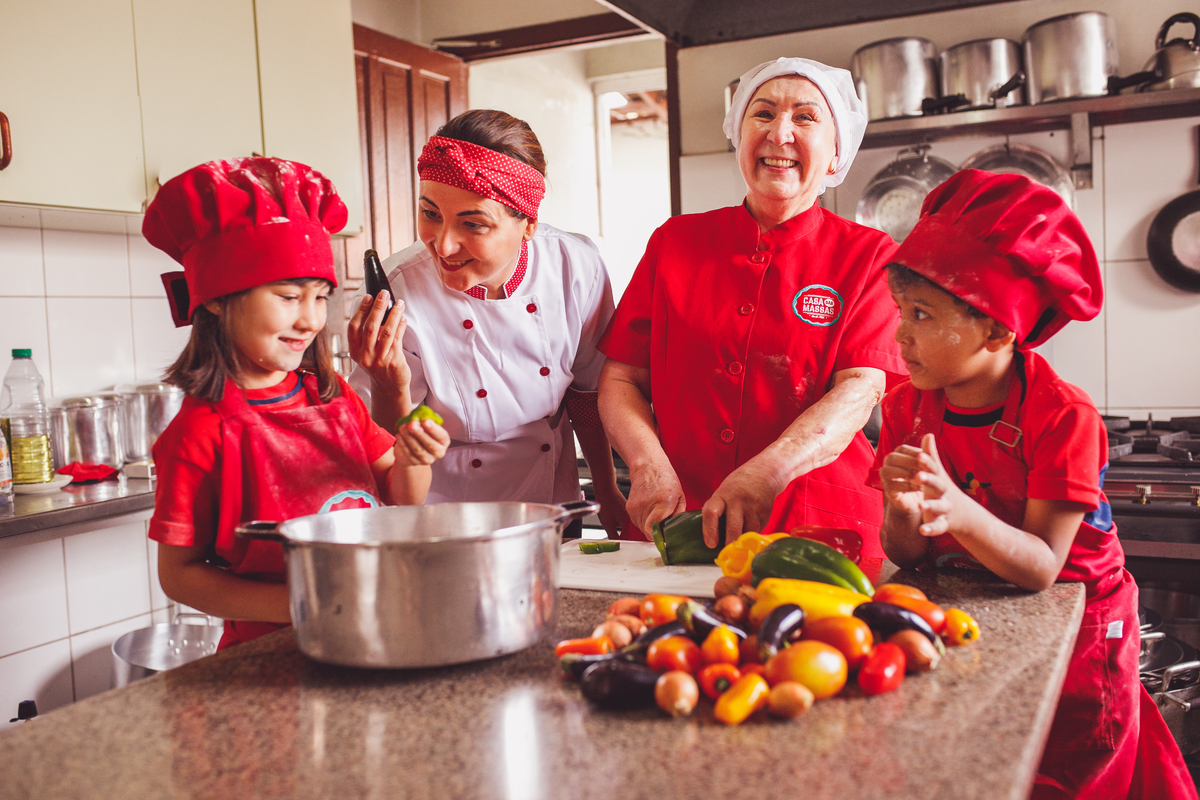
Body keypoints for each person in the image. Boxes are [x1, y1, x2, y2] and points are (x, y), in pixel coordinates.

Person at [872, 169, 1197, 799]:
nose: (900, 334)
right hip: (976, 614)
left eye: (921, 314)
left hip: (1077, 628)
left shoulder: (1062, 417)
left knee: (1068, 775)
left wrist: (958, 510)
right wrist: (904, 510)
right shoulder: (907, 406)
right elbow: (906, 554)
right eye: (899, 311)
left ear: (997, 329)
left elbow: (1044, 567)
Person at [598, 57, 906, 551]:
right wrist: (646, 465)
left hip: (816, 528)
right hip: (680, 521)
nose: (779, 133)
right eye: (762, 114)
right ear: (739, 137)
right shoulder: (675, 243)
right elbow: (620, 378)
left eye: (805, 118)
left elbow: (861, 389)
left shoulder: (869, 256)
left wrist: (770, 470)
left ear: (835, 154)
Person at [144, 157, 442, 651]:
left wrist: (414, 457)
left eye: (320, 297)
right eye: (287, 296)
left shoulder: (335, 400)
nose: (310, 321)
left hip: (373, 632)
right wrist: (304, 602)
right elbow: (181, 575)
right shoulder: (199, 433)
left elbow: (404, 500)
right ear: (216, 298)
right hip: (270, 656)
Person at [349, 109, 624, 536]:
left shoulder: (575, 266)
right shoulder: (400, 289)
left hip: (549, 501)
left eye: (473, 224)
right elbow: (380, 441)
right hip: (440, 515)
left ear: (528, 224)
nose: (444, 244)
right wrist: (388, 384)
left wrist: (607, 494)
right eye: (431, 213)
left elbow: (586, 393)